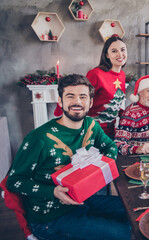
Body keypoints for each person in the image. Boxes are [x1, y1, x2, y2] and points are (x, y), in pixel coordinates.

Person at [7, 74, 130, 240]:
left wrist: (98, 168)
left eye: (82, 96)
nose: (77, 102)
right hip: (50, 217)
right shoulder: (39, 138)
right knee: (124, 233)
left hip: (84, 200)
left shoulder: (91, 125)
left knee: (133, 212)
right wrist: (53, 191)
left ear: (90, 102)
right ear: (60, 101)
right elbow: (14, 181)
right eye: (70, 96)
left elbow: (110, 147)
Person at [86, 35, 127, 139]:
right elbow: (83, 100)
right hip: (93, 130)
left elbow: (116, 103)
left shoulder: (122, 75)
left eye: (123, 50)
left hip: (111, 130)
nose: (120, 54)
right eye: (114, 51)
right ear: (107, 55)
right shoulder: (95, 74)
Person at [114, 75, 149, 155]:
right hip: (135, 159)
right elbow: (117, 145)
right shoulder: (131, 114)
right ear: (140, 92)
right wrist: (137, 149)